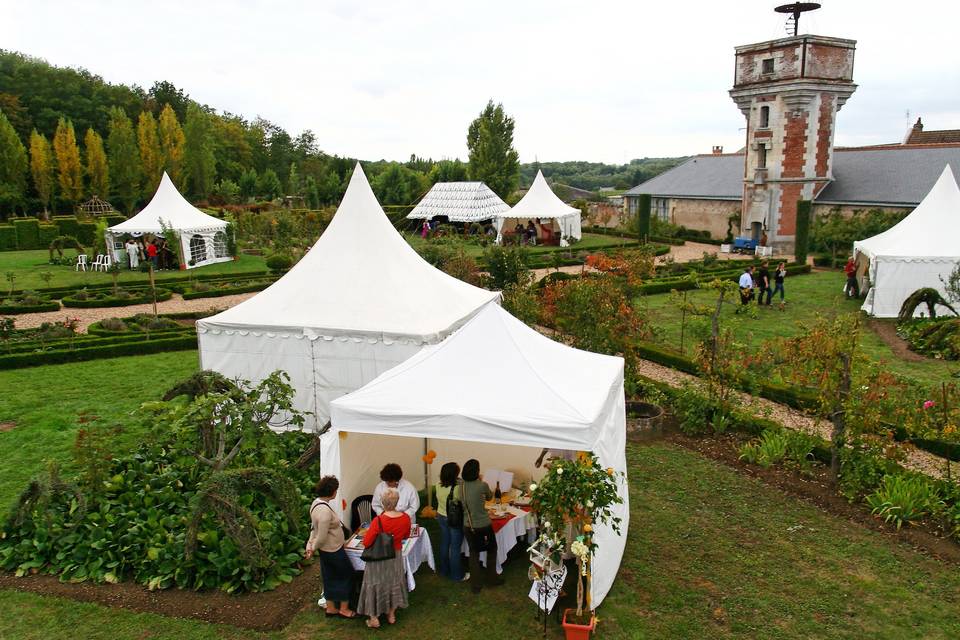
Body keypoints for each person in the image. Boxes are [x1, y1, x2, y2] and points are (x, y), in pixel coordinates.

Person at [305, 476, 358, 619]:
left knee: (329, 577)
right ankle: (344, 609)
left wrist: (310, 544)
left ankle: (331, 608)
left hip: (327, 550)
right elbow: (321, 537)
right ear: (332, 491)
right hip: (333, 550)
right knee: (345, 575)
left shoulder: (316, 503)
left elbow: (313, 529)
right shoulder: (324, 513)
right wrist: (312, 547)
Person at [358, 489, 410, 628]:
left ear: (382, 503)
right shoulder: (405, 518)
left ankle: (374, 618)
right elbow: (405, 535)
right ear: (397, 502)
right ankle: (391, 614)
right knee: (394, 582)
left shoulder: (378, 520)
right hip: (395, 555)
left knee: (374, 583)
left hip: (378, 557)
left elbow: (367, 542)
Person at [461, 458, 504, 593]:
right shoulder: (482, 485)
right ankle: (492, 578)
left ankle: (476, 584)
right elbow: (490, 497)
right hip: (483, 524)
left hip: (468, 524)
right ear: (477, 472)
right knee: (492, 549)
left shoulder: (460, 487)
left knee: (474, 552)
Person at [435, 462, 468, 582]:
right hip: (454, 519)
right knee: (455, 547)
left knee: (445, 542)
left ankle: (444, 570)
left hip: (441, 515)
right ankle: (456, 575)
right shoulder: (458, 489)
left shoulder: (438, 485)